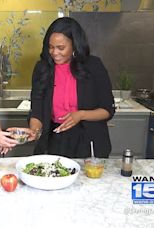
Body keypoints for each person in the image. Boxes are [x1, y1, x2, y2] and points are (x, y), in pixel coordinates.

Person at [22, 17, 115, 158]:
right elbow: (37, 110)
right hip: (53, 140)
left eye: (61, 48)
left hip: (88, 141)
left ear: (74, 45)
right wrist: (34, 130)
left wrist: (80, 115)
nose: (54, 53)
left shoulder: (93, 66)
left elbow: (108, 110)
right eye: (51, 47)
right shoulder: (42, 68)